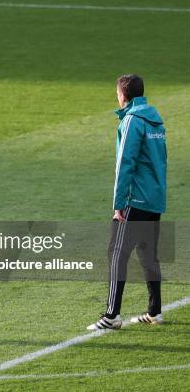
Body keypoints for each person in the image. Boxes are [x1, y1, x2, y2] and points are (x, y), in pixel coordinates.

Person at [88, 74, 167, 330]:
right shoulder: (155, 118)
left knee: (116, 253)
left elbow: (125, 164)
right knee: (147, 255)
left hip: (135, 198)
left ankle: (112, 315)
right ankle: (154, 311)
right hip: (154, 197)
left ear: (123, 95)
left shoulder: (132, 120)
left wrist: (119, 203)